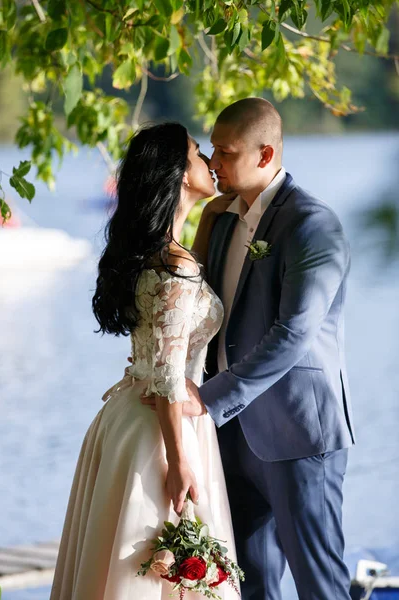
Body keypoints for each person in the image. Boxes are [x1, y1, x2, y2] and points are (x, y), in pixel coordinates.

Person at [145, 98, 356, 600]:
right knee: (250, 585)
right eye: (211, 149)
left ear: (265, 155)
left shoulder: (312, 225)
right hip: (230, 438)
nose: (213, 162)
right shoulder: (219, 216)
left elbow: (294, 333)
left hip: (297, 435)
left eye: (224, 151)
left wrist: (210, 398)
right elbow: (196, 305)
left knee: (318, 584)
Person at [50, 123, 237, 600]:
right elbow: (171, 373)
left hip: (131, 417)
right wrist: (178, 460)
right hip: (163, 429)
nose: (211, 163)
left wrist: (213, 217)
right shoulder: (176, 266)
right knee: (154, 566)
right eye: (199, 153)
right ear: (177, 173)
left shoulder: (157, 256)